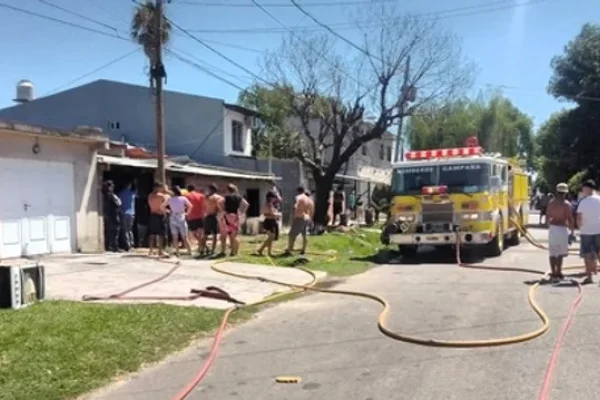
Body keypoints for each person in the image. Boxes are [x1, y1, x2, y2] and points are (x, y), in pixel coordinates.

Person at [546, 183, 574, 282]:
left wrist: (549, 226)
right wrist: (572, 232)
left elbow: (547, 216)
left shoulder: (551, 202)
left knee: (553, 252)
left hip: (553, 228)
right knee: (561, 253)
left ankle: (553, 272)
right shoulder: (566, 204)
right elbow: (570, 218)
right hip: (562, 229)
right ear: (565, 193)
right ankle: (559, 272)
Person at [576, 179, 600, 284]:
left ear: (587, 188)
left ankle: (589, 276)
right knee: (599, 252)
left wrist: (579, 227)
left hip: (586, 231)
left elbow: (579, 218)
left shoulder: (584, 202)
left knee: (587, 253)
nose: (582, 190)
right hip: (598, 230)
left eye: (583, 188)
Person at [220, 184, 249, 256]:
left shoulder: (226, 197)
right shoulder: (238, 197)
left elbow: (219, 202)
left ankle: (223, 251)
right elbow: (246, 204)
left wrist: (223, 210)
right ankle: (232, 252)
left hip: (227, 216)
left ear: (228, 190)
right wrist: (242, 212)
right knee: (233, 236)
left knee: (224, 235)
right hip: (235, 217)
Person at [284, 186, 312, 255]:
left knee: (291, 234)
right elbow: (311, 209)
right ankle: (303, 250)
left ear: (298, 191)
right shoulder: (309, 199)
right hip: (306, 217)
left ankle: (290, 249)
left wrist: (294, 214)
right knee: (304, 234)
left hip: (300, 217)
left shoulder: (299, 197)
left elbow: (296, 206)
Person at [167, 186, 193, 257]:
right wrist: (187, 213)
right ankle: (189, 251)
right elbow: (190, 206)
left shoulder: (170, 199)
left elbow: (162, 207)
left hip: (173, 217)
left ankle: (177, 252)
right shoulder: (183, 198)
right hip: (181, 216)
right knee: (185, 236)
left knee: (174, 236)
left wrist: (169, 211)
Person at [148, 182, 169, 257]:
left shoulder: (150, 195)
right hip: (160, 215)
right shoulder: (162, 196)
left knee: (152, 234)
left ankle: (151, 250)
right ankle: (160, 251)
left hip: (152, 215)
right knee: (161, 234)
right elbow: (165, 205)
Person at [257, 191, 281, 257]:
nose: (275, 199)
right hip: (270, 221)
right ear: (270, 197)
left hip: (268, 221)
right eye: (274, 197)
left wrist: (273, 214)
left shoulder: (267, 204)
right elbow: (272, 213)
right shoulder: (269, 204)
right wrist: (278, 214)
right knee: (271, 237)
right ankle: (260, 249)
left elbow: (265, 213)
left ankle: (269, 252)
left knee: (271, 237)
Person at [185, 185, 207, 255]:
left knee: (194, 234)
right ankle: (202, 246)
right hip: (200, 216)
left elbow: (185, 206)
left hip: (191, 217)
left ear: (188, 189)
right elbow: (204, 206)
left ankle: (202, 246)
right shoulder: (201, 196)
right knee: (201, 234)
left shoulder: (186, 196)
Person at [204, 183, 224, 255]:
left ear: (210, 189)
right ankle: (212, 250)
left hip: (208, 216)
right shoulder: (219, 197)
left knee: (205, 234)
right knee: (215, 234)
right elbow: (221, 208)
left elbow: (205, 207)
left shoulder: (207, 197)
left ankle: (203, 249)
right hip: (215, 216)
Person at [103, 180, 121, 252]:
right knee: (115, 231)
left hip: (109, 215)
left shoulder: (105, 195)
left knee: (110, 231)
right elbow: (118, 203)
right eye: (112, 186)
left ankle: (110, 246)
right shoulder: (111, 195)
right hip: (113, 215)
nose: (113, 187)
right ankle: (114, 247)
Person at [118, 182, 137, 251]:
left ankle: (127, 245)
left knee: (125, 230)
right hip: (132, 213)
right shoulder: (132, 194)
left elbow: (118, 203)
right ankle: (132, 244)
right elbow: (137, 194)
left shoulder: (121, 194)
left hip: (124, 213)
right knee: (130, 230)